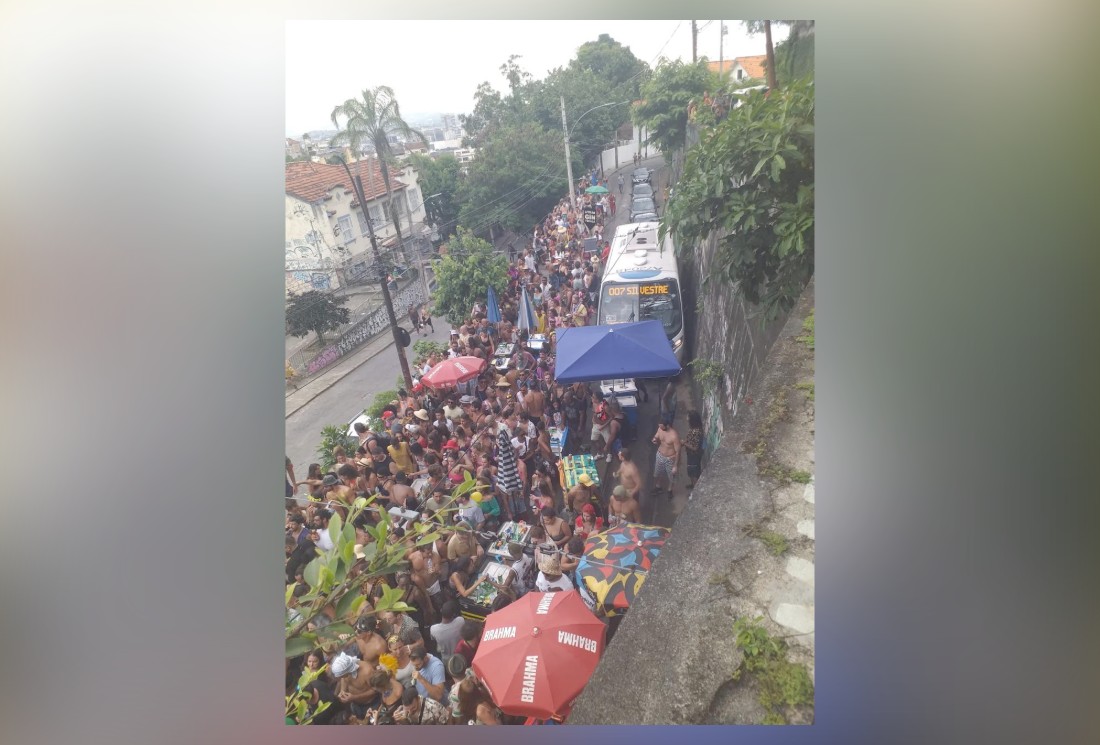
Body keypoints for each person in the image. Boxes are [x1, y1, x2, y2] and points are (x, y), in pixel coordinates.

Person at [330, 652, 377, 721]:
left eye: (342, 675)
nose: (341, 677)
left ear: (347, 671)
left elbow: (376, 690)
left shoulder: (367, 671)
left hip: (370, 705)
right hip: (355, 705)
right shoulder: (345, 672)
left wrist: (355, 697)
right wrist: (343, 691)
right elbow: (344, 678)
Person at [652, 419, 682, 501]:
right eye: (659, 426)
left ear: (667, 425)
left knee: (672, 476)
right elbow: (657, 435)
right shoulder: (660, 429)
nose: (660, 428)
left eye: (662, 427)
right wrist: (655, 438)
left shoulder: (674, 436)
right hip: (660, 455)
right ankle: (658, 486)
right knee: (658, 472)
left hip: (670, 458)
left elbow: (678, 451)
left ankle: (670, 490)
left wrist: (675, 465)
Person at [684, 410, 705, 490]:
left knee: (693, 471)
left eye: (688, 416)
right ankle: (693, 485)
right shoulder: (696, 428)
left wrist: (684, 443)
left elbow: (695, 447)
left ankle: (695, 490)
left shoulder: (696, 432)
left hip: (694, 455)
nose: (687, 418)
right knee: (693, 471)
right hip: (692, 455)